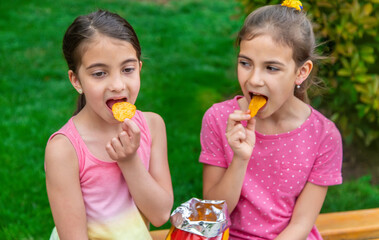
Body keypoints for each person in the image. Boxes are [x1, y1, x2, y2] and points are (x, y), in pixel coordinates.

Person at [199, 0, 343, 239]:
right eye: (245, 63)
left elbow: (301, 224)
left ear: (301, 72)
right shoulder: (218, 119)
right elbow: (214, 213)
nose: (254, 80)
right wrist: (240, 159)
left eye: (271, 68)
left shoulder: (323, 135)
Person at [45, 10, 173, 240]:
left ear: (140, 69)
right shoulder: (64, 151)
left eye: (127, 69)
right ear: (76, 80)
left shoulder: (153, 126)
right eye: (100, 73)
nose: (117, 85)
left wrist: (130, 161)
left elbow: (160, 214)